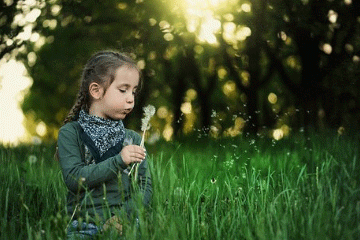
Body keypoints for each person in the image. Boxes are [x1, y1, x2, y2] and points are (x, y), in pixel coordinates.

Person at [56, 50, 152, 239]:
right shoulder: (70, 133)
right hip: (84, 225)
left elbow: (145, 187)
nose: (131, 98)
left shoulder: (133, 138)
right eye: (123, 90)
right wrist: (119, 161)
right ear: (96, 90)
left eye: (133, 91)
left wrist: (123, 217)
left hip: (125, 223)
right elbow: (75, 179)